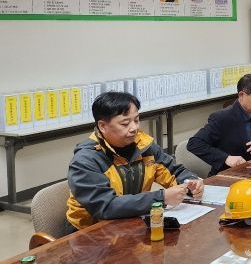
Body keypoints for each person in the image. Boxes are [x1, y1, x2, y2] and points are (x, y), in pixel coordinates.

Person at [66, 92, 203, 232]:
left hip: (131, 224)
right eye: (125, 123)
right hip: (90, 235)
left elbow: (173, 170)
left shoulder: (144, 146)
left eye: (136, 120)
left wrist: (190, 182)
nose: (134, 128)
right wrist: (161, 198)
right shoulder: (86, 160)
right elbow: (105, 207)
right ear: (102, 126)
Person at [188, 73, 251, 176]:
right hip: (229, 176)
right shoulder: (221, 118)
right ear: (241, 95)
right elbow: (194, 143)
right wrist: (226, 158)